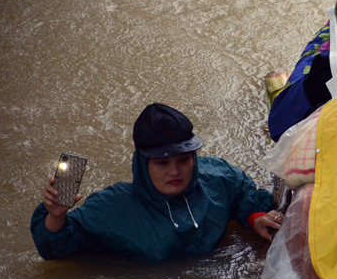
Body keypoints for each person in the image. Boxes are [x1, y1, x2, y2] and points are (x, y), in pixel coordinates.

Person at [31, 103, 283, 261]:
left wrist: (255, 217)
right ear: (144, 164)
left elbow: (243, 194)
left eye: (184, 160)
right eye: (162, 163)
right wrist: (56, 216)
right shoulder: (112, 208)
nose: (175, 171)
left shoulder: (217, 176)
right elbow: (58, 249)